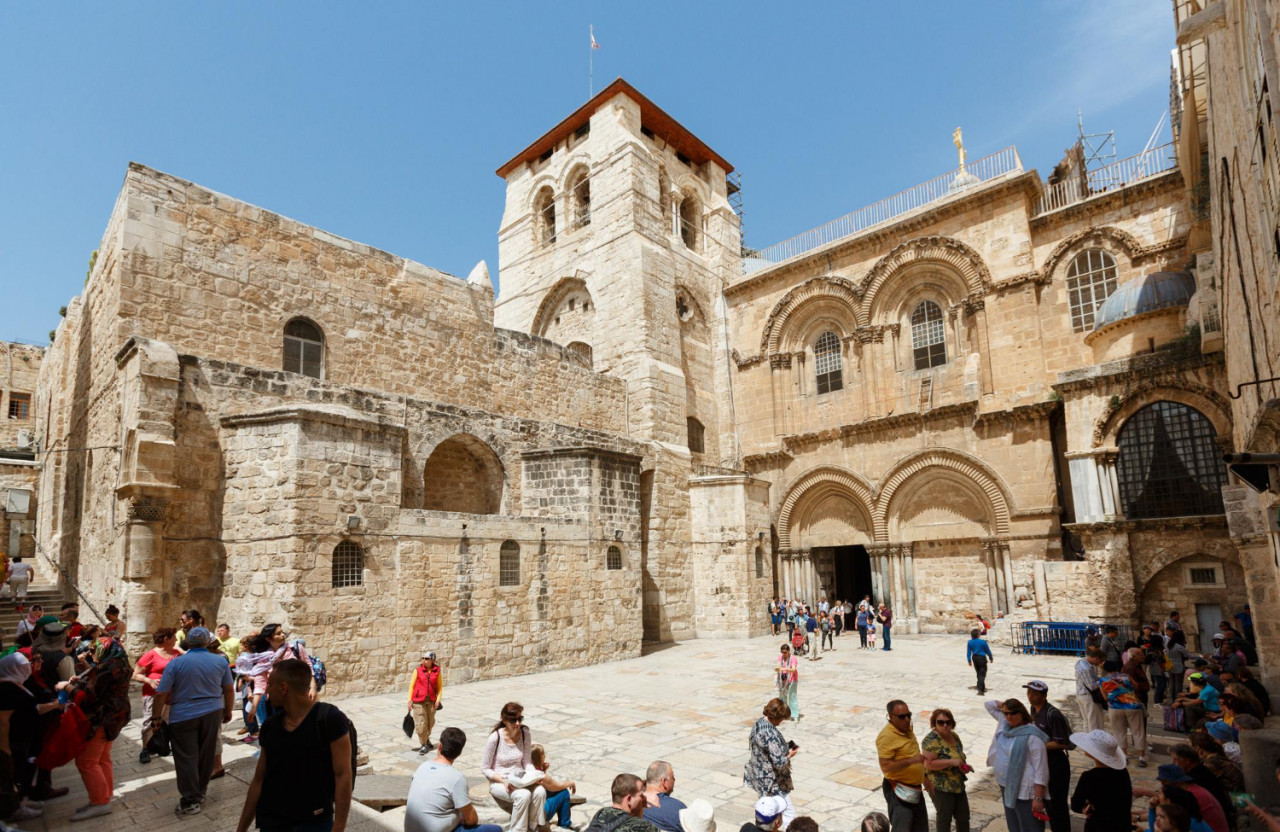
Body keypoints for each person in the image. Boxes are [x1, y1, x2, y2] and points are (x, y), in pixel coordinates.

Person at [236, 659, 353, 832]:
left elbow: (343, 774)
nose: (267, 689)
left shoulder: (329, 719)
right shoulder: (270, 726)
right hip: (273, 820)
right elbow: (259, 779)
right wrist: (241, 828)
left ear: (283, 688)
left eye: (270, 684)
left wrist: (339, 826)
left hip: (314, 821)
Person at [153, 626, 234, 816]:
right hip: (212, 711)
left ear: (188, 642)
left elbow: (161, 693)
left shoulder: (176, 663)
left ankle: (190, 800)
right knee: (206, 754)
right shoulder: (220, 661)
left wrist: (156, 718)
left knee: (186, 757)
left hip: (183, 715)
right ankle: (201, 792)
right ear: (207, 642)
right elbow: (229, 689)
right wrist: (228, 710)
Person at [69, 637, 132, 822]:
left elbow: (90, 696)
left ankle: (100, 802)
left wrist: (69, 687)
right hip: (117, 714)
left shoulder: (108, 669)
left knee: (86, 762)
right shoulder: (120, 663)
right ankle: (105, 794)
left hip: (103, 716)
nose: (92, 652)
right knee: (103, 757)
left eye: (95, 649)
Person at [406, 725, 504, 832]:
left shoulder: (422, 767)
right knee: (496, 829)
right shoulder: (456, 778)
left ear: (439, 746)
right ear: (459, 752)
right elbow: (471, 820)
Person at [0, 654, 55, 823]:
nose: (27, 669)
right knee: (11, 773)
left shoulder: (15, 683)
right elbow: (3, 720)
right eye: (23, 667)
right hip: (12, 740)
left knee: (21, 770)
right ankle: (12, 809)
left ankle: (20, 803)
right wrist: (4, 747)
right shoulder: (7, 688)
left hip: (23, 737)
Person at [482, 702, 547, 832]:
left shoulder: (525, 734)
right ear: (505, 720)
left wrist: (534, 776)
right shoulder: (495, 738)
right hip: (500, 781)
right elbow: (485, 768)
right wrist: (503, 781)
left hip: (521, 778)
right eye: (513, 720)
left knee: (540, 792)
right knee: (523, 795)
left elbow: (527, 762)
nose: (517, 723)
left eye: (520, 719)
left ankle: (531, 827)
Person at [984, 698, 1048, 832]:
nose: (1008, 716)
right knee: (1014, 824)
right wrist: (1004, 705)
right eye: (1005, 713)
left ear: (1021, 713)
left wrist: (1038, 797)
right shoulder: (1005, 724)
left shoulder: (1033, 736)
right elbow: (988, 705)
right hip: (1007, 785)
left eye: (1012, 713)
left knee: (1030, 826)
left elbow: (1041, 769)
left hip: (1025, 791)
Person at [1024, 682, 1071, 832]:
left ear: (1044, 696)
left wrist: (1038, 746)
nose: (1030, 697)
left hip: (1055, 763)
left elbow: (1062, 742)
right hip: (1042, 762)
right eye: (1029, 693)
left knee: (1057, 805)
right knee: (1044, 802)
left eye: (1034, 694)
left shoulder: (1053, 714)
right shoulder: (1033, 709)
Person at [743, 698, 798, 830]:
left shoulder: (759, 723)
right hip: (771, 781)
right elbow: (779, 763)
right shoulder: (770, 733)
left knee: (766, 810)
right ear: (775, 716)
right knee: (788, 812)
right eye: (781, 719)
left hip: (759, 776)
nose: (781, 722)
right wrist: (790, 754)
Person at [876, 699, 928, 832]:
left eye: (908, 715)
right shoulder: (886, 737)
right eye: (901, 717)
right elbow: (886, 767)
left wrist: (925, 779)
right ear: (890, 717)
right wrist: (911, 761)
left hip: (915, 790)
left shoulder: (907, 729)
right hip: (898, 791)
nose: (906, 719)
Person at [1066, 729, 1130, 832]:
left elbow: (1076, 805)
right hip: (1121, 825)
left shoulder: (1089, 777)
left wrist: (1087, 806)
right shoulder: (1122, 772)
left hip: (1098, 826)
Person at [133, 627, 180, 764]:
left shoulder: (177, 653)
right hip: (153, 693)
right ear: (166, 639)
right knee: (150, 720)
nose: (176, 640)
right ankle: (145, 748)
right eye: (174, 637)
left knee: (166, 720)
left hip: (172, 694)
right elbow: (136, 674)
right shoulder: (151, 654)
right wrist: (149, 680)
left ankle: (162, 744)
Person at [920, 708, 969, 832]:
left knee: (963, 817)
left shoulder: (954, 737)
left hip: (957, 784)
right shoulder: (931, 740)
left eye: (948, 722)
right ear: (934, 723)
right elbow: (928, 764)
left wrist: (964, 766)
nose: (945, 725)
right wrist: (952, 762)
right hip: (940, 786)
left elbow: (959, 755)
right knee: (944, 819)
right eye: (940, 722)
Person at [1136, 766, 1227, 832]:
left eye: (1164, 781)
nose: (1162, 783)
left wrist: (1140, 818)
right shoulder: (1184, 802)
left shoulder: (1184, 820)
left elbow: (1156, 828)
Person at [1171, 744, 1233, 832]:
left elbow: (1175, 808)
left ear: (1187, 761)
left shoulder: (1195, 779)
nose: (1174, 764)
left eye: (1175, 760)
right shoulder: (1200, 771)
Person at [1099, 660, 1147, 767]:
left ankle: (1124, 756)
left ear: (1104, 669)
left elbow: (1105, 697)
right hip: (1132, 706)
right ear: (1117, 667)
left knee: (1119, 732)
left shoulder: (1102, 680)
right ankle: (1141, 758)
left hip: (1115, 708)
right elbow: (1137, 686)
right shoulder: (1126, 676)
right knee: (1138, 731)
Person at [585, 774, 658, 832]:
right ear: (629, 799)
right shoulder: (643, 826)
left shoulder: (601, 812)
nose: (644, 799)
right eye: (641, 795)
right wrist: (640, 809)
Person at [531, 744, 576, 831]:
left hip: (529, 809)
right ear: (541, 757)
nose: (545, 756)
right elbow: (558, 786)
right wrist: (571, 783)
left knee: (549, 791)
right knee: (564, 793)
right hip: (540, 814)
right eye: (543, 754)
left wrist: (543, 768)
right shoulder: (542, 776)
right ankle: (564, 825)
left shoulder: (528, 770)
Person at [408, 650, 444, 754]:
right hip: (418, 701)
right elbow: (411, 686)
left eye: (427, 659)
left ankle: (426, 739)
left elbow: (440, 687)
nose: (424, 660)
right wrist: (409, 701)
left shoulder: (437, 671)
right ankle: (423, 744)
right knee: (421, 724)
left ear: (432, 660)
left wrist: (438, 700)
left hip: (432, 701)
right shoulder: (417, 670)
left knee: (430, 723)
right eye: (423, 658)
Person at [643, 760, 686, 832]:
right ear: (664, 781)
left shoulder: (632, 802)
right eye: (673, 777)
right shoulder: (678, 808)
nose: (674, 780)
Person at [1073, 648, 1105, 733]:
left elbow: (1091, 679)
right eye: (1100, 661)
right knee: (1094, 723)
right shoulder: (1087, 668)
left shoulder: (1080, 662)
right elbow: (1092, 686)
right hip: (1088, 697)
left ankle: (1087, 743)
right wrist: (1103, 682)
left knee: (1087, 721)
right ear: (1096, 658)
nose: (1099, 664)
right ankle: (1094, 743)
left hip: (1080, 694)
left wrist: (1100, 679)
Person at [965, 630, 993, 696]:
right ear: (978, 635)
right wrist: (991, 658)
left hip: (975, 658)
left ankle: (981, 687)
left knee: (978, 673)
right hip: (982, 658)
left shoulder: (970, 642)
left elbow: (968, 652)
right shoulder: (983, 642)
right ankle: (980, 690)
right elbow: (988, 651)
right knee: (982, 674)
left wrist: (969, 660)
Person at [775, 644, 798, 720]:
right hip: (782, 680)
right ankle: (783, 714)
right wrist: (778, 668)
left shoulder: (792, 658)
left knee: (792, 696)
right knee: (782, 697)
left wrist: (784, 669)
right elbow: (778, 666)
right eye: (782, 652)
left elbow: (793, 669)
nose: (783, 654)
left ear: (788, 651)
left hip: (792, 679)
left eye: (785, 652)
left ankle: (794, 715)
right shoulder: (780, 657)